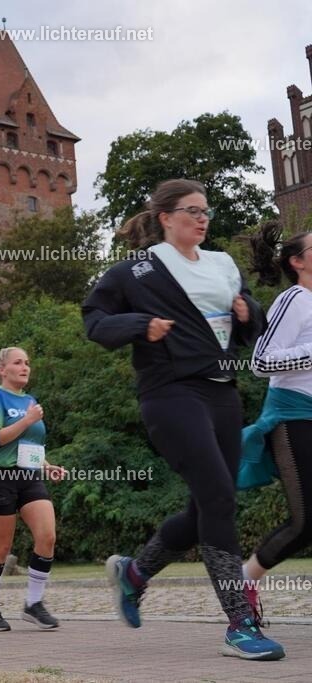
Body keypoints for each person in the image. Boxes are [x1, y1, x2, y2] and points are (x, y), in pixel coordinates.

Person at [82, 178, 284, 660]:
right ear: (166, 217)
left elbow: (252, 323)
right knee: (217, 495)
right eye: (191, 210)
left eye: (206, 211)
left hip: (222, 394)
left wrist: (246, 310)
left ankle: (134, 574)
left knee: (208, 506)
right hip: (169, 393)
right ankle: (240, 624)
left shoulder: (222, 264)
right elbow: (94, 320)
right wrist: (139, 326)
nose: (202, 218)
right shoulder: (138, 269)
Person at [240, 224, 312, 621]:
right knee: (305, 521)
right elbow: (261, 361)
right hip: (293, 415)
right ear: (297, 262)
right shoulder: (294, 298)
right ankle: (244, 580)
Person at [0, 347, 67, 631]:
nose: (25, 367)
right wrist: (27, 420)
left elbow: (30, 445)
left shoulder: (30, 400)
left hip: (28, 475)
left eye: (27, 363)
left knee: (47, 536)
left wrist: (47, 465)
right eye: (18, 362)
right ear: (2, 369)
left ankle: (33, 604)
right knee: (2, 546)